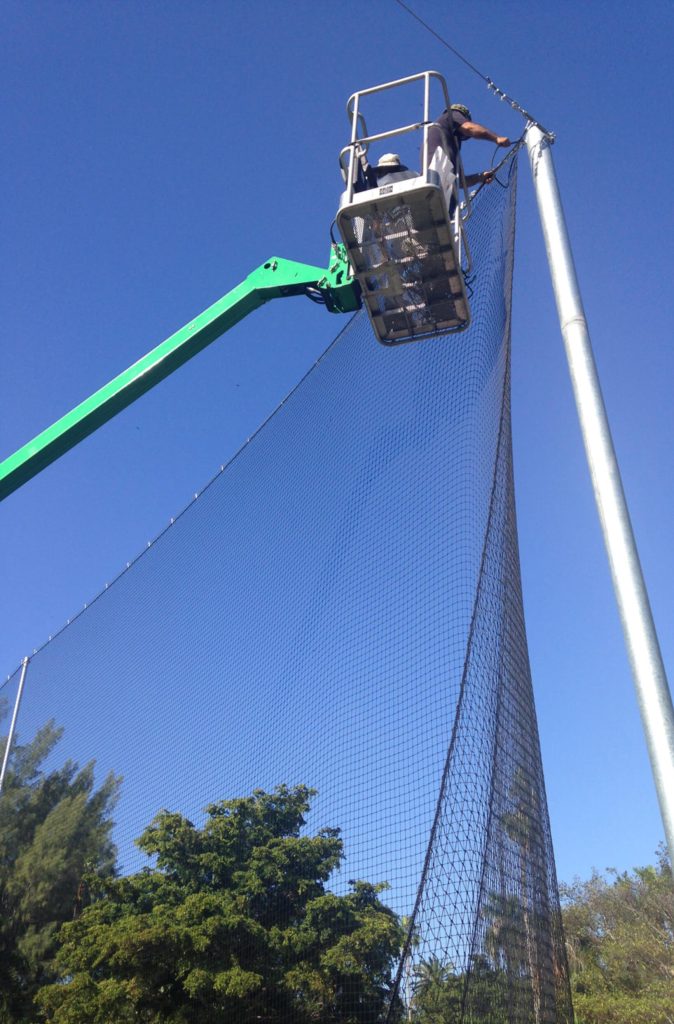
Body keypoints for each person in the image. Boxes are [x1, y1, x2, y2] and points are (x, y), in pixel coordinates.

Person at [425, 102, 511, 187]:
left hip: (439, 184)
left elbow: (460, 182)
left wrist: (480, 177)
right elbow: (469, 127)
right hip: (436, 179)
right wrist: (496, 138)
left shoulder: (451, 142)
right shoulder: (452, 115)